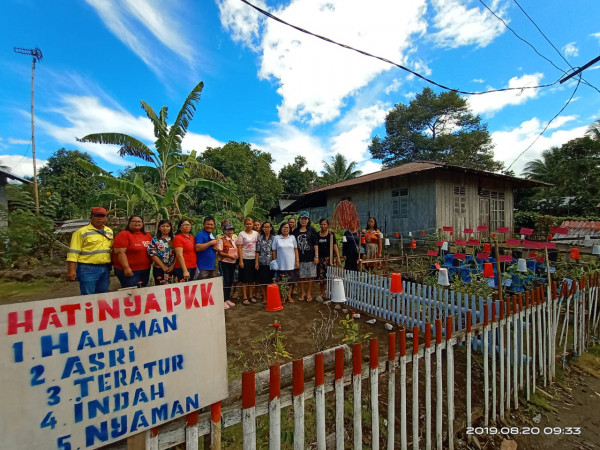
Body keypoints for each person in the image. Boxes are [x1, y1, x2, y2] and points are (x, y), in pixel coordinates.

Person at [66, 206, 114, 295]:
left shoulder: (109, 231)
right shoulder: (81, 232)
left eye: (102, 216)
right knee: (88, 296)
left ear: (106, 218)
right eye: (97, 216)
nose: (99, 218)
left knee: (103, 295)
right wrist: (71, 270)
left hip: (105, 268)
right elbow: (73, 252)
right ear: (91, 217)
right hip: (88, 269)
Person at [112, 215, 153, 288]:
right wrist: (126, 267)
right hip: (130, 271)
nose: (137, 223)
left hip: (145, 269)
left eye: (139, 221)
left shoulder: (147, 235)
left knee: (143, 291)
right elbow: (120, 252)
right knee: (131, 292)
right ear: (129, 223)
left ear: (142, 223)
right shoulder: (123, 234)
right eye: (134, 221)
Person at [293, 211, 319, 302]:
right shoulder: (295, 231)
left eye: (305, 219)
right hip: (299, 257)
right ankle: (303, 292)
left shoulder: (312, 230)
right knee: (301, 276)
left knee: (310, 276)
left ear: (308, 220)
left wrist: (316, 256)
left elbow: (316, 244)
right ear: (299, 219)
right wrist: (296, 258)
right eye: (302, 219)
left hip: (310, 257)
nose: (303, 221)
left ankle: (308, 292)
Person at [272, 222, 299, 302]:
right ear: (281, 228)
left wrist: (297, 261)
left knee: (291, 282)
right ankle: (283, 296)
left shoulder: (292, 237)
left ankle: (289, 296)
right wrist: (274, 261)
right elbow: (274, 251)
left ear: (290, 229)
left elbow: (296, 250)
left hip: (291, 263)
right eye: (284, 227)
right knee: (281, 281)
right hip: (280, 264)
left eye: (287, 227)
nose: (285, 229)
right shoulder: (276, 238)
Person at [316, 218, 340, 301]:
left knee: (331, 276)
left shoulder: (331, 234)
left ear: (327, 225)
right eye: (321, 224)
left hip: (330, 258)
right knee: (321, 277)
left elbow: (335, 246)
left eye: (324, 224)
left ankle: (331, 293)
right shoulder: (317, 234)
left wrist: (338, 258)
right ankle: (322, 293)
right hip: (321, 259)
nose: (323, 226)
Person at [237, 217, 259, 305]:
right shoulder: (241, 234)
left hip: (253, 258)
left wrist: (257, 261)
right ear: (244, 225)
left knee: (251, 279)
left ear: (253, 224)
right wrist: (241, 260)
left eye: (250, 224)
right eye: (247, 224)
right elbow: (239, 248)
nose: (249, 225)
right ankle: (244, 297)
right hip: (245, 258)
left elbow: (258, 247)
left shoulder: (256, 234)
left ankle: (251, 296)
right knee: (244, 279)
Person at [217, 222, 238, 309]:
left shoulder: (234, 239)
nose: (230, 231)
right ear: (224, 231)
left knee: (230, 281)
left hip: (233, 262)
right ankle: (223, 300)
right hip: (224, 262)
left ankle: (227, 298)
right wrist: (229, 256)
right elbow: (220, 252)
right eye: (228, 230)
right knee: (225, 280)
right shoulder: (221, 240)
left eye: (231, 229)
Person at [147, 219, 175, 285]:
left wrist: (173, 266)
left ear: (170, 228)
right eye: (163, 226)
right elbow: (152, 253)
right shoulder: (155, 239)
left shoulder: (175, 239)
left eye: (167, 226)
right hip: (159, 268)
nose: (165, 228)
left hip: (173, 268)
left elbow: (179, 253)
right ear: (159, 228)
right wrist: (163, 266)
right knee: (160, 288)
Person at [255, 221, 275, 304]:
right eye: (265, 227)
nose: (266, 228)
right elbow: (257, 251)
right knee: (263, 281)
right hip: (262, 262)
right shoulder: (260, 238)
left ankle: (271, 297)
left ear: (271, 228)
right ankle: (264, 298)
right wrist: (256, 262)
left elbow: (274, 251)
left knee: (271, 281)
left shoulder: (274, 238)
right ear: (262, 228)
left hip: (271, 263)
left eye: (268, 227)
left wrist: (274, 261)